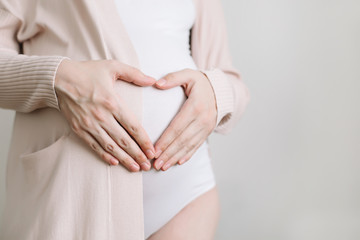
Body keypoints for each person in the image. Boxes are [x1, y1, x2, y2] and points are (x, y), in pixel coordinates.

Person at [0, 0, 250, 239]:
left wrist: (215, 93)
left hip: (187, 197)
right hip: (73, 200)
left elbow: (229, 78)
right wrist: (59, 79)